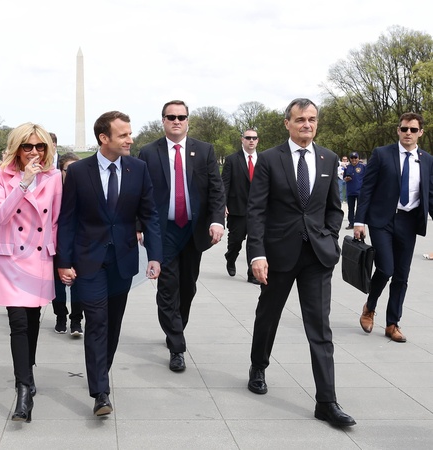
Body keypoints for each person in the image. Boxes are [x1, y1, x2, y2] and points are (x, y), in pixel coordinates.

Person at [246, 98, 355, 427]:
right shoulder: (269, 159)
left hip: (317, 257)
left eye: (312, 119)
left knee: (320, 328)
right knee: (268, 316)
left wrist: (330, 237)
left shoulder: (328, 158)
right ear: (288, 123)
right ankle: (258, 366)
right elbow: (256, 210)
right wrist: (257, 254)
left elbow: (334, 207)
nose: (307, 124)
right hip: (278, 255)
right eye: (300, 119)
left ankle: (327, 402)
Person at [57, 111, 163, 416]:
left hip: (123, 260)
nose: (130, 139)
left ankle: (100, 371)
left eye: (130, 133)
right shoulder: (79, 172)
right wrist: (63, 261)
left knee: (113, 324)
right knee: (97, 322)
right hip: (89, 260)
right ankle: (100, 392)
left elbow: (150, 215)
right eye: (123, 135)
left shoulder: (138, 169)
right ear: (104, 138)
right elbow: (67, 219)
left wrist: (155, 255)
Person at [138, 100, 225, 372]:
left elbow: (216, 189)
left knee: (187, 287)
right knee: (167, 288)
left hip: (193, 230)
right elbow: (140, 193)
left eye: (181, 117)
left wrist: (217, 220)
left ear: (188, 120)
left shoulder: (204, 150)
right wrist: (138, 225)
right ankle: (177, 347)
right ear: (163, 120)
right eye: (171, 117)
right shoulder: (148, 152)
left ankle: (176, 327)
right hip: (163, 232)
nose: (176, 121)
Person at [0, 122, 62, 423]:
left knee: (32, 321)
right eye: (27, 146)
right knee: (17, 322)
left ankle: (27, 374)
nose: (34, 152)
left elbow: (55, 221)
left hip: (39, 257)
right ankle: (22, 390)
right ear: (17, 148)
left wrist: (58, 258)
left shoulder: (54, 177)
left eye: (40, 146)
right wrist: (23, 183)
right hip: (10, 257)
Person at [354, 112, 433, 343]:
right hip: (382, 221)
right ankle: (370, 307)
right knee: (386, 269)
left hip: (409, 222)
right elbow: (367, 188)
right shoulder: (382, 154)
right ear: (398, 130)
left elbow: (430, 194)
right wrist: (359, 221)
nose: (408, 133)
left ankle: (392, 323)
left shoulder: (427, 160)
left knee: (401, 275)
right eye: (404, 128)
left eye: (413, 129)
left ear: (420, 133)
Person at [222, 128, 260, 284]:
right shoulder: (232, 160)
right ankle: (230, 257)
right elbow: (225, 183)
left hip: (258, 209)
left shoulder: (264, 159)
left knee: (255, 242)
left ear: (257, 141)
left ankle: (252, 274)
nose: (251, 140)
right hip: (237, 208)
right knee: (236, 240)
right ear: (242, 139)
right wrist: (223, 204)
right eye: (248, 138)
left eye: (254, 138)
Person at [52, 152, 83, 336]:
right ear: (60, 171)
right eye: (67, 170)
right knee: (57, 284)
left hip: (80, 243)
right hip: (56, 243)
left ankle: (76, 320)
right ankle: (61, 317)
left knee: (78, 283)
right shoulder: (53, 192)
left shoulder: (85, 191)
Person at [343, 152, 366, 229]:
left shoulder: (363, 167)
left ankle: (358, 223)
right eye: (352, 158)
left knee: (359, 208)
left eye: (355, 158)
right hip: (350, 191)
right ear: (350, 159)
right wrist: (346, 179)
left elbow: (367, 177)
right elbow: (344, 177)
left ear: (358, 158)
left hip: (360, 191)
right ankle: (351, 223)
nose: (354, 159)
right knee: (351, 208)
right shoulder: (347, 167)